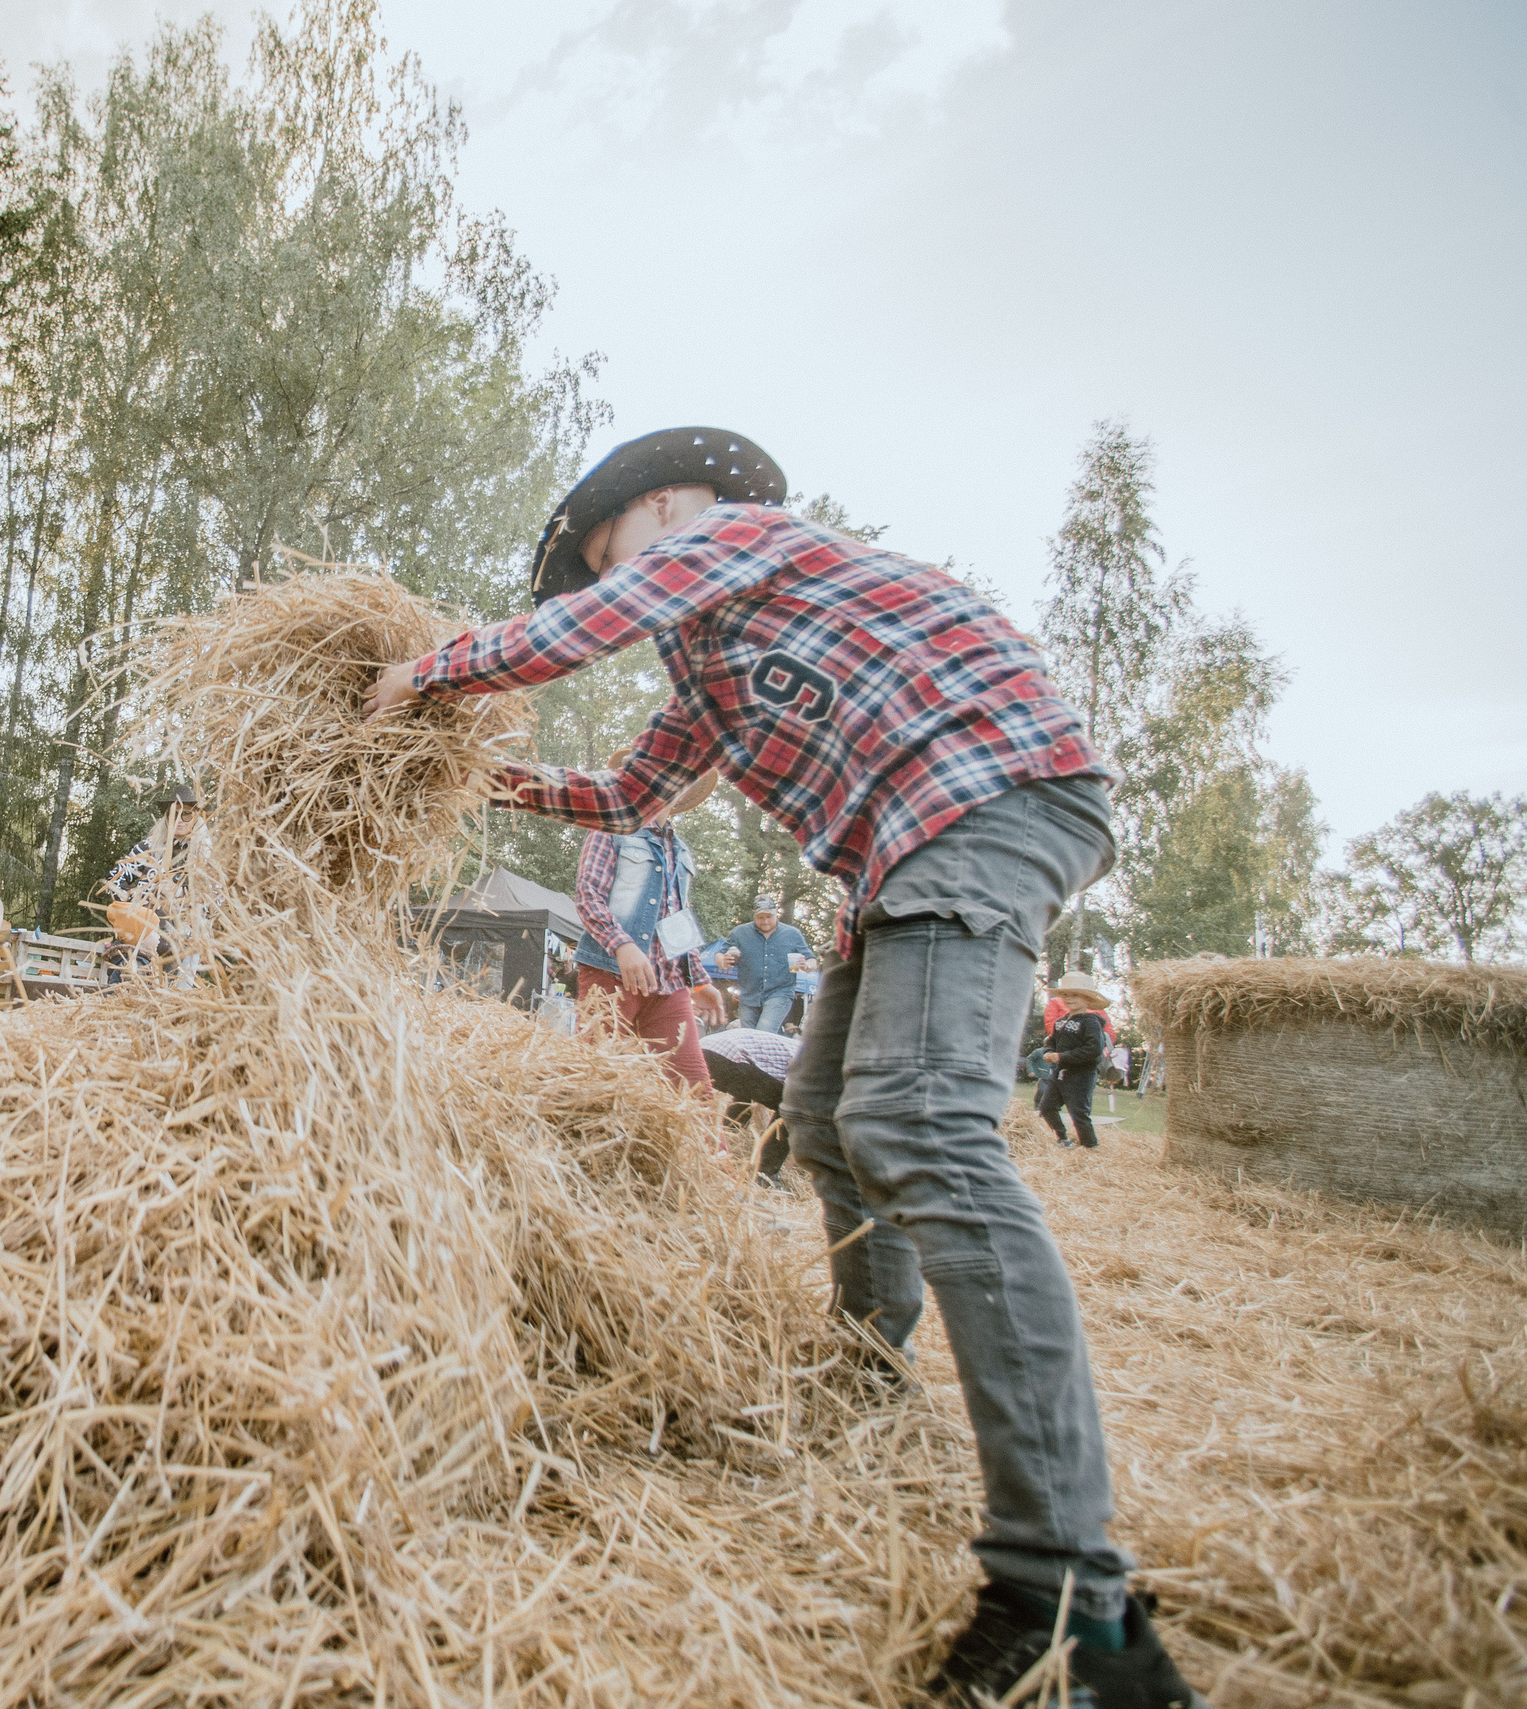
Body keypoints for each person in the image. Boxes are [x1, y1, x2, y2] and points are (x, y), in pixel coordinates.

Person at [361, 426, 1199, 1707]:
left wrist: (421, 677)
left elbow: (587, 626)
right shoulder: (712, 668)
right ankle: (867, 1370)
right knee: (827, 1113)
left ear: (670, 503)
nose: (614, 583)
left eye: (611, 552)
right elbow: (632, 792)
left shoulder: (743, 538)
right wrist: (479, 774)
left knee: (921, 1126)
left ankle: (1072, 1605)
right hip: (900, 856)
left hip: (982, 797)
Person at [571, 767, 717, 1094]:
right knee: (593, 1079)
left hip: (668, 983)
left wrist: (699, 980)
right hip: (610, 975)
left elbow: (678, 919)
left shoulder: (680, 850)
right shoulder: (611, 827)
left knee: (695, 1091)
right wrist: (623, 946)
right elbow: (588, 895)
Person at [103, 783, 203, 974]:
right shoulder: (148, 848)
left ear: (196, 817)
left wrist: (178, 893)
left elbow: (213, 902)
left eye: (186, 815)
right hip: (142, 941)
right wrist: (135, 903)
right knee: (126, 979)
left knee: (174, 989)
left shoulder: (202, 856)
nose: (179, 820)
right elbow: (114, 879)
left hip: (181, 945)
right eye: (173, 814)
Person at [700, 1025, 800, 1184]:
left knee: (748, 1091)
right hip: (730, 1055)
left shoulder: (805, 1050)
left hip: (708, 1049)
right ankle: (765, 1175)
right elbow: (796, 1101)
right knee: (793, 1110)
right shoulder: (818, 1062)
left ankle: (729, 1135)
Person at [1038, 972, 1114, 1149]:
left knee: (1078, 1112)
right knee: (1047, 1107)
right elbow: (1051, 1042)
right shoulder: (1060, 1022)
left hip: (1081, 1075)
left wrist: (1062, 1057)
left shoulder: (1091, 1022)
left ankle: (1090, 1146)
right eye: (1065, 995)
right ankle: (1063, 1138)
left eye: (1075, 995)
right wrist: (1049, 1052)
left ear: (1087, 999)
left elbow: (1093, 1050)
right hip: (1059, 1073)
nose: (1069, 998)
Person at [718, 896, 814, 1032]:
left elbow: (812, 960)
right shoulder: (739, 932)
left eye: (769, 916)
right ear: (754, 915)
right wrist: (723, 961)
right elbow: (720, 955)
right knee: (749, 1036)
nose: (765, 921)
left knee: (764, 1032)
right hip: (748, 996)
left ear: (776, 913)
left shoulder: (792, 934)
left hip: (780, 993)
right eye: (760, 917)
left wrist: (807, 966)